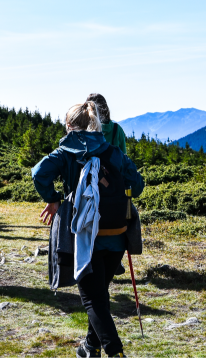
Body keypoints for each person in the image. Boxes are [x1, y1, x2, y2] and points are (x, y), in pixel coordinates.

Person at [32, 101, 144, 358]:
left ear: (70, 127)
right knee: (99, 294)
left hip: (85, 239)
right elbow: (137, 186)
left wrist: (54, 198)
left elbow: (38, 173)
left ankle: (115, 353)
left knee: (92, 299)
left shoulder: (66, 153)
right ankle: (90, 348)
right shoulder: (114, 152)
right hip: (116, 237)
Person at [87, 93, 129, 276]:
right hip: (114, 188)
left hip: (92, 187)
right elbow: (125, 159)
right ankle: (117, 257)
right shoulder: (117, 130)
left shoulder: (85, 131)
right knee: (125, 219)